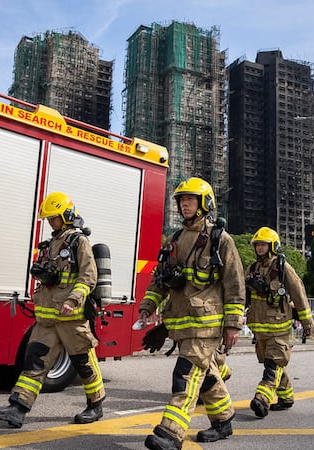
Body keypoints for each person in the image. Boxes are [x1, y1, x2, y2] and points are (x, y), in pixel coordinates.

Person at [138, 177, 246, 450]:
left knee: (184, 375)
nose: (184, 204)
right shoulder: (174, 239)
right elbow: (160, 278)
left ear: (204, 203)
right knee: (206, 374)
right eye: (181, 200)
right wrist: (147, 308)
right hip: (182, 324)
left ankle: (170, 434)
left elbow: (235, 284)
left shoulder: (220, 239)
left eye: (190, 199)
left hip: (206, 325)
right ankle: (223, 421)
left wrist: (233, 325)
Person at [0, 192, 105, 428]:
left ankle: (96, 405)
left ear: (67, 215)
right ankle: (17, 408)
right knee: (34, 362)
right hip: (47, 319)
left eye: (55, 218)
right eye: (49, 219)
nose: (51, 222)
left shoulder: (79, 242)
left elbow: (88, 277)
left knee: (84, 365)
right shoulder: (50, 244)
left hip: (72, 320)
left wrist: (73, 300)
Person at [244, 227, 314, 418]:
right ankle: (286, 397)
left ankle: (262, 398)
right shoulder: (251, 269)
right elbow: (243, 297)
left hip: (279, 329)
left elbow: (299, 294)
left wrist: (307, 322)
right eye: (257, 245)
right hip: (259, 329)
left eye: (263, 244)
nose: (259, 248)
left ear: (273, 246)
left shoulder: (283, 268)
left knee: (272, 365)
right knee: (274, 365)